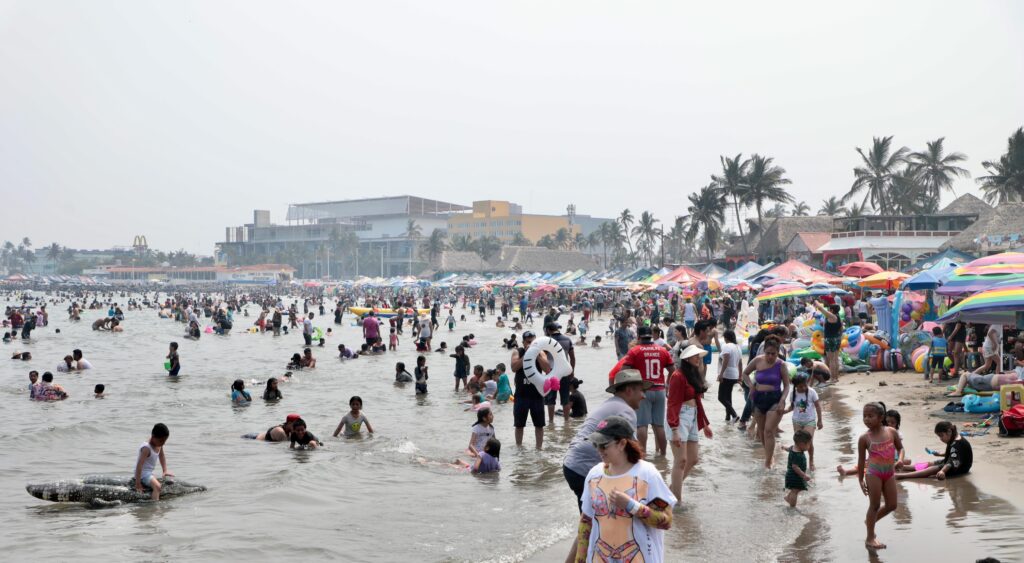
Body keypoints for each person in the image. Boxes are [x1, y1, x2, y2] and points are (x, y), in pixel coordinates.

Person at [574, 415, 675, 563]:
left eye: (603, 445)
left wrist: (632, 506)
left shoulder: (648, 474)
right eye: (595, 445)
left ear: (621, 444)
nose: (599, 450)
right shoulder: (594, 475)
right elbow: (586, 521)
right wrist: (579, 560)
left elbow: (666, 522)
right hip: (600, 555)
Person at [562, 369, 647, 515]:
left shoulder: (611, 404)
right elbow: (632, 450)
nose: (643, 396)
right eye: (641, 391)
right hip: (584, 466)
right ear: (629, 390)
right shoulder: (626, 411)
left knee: (591, 516)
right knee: (598, 518)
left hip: (572, 464)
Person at [612, 325, 673, 456]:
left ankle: (642, 455)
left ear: (639, 337)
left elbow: (623, 371)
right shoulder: (662, 351)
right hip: (660, 390)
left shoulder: (635, 351)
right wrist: (667, 384)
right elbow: (673, 371)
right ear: (651, 336)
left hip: (642, 391)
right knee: (659, 426)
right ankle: (663, 456)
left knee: (642, 425)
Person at [666, 345, 713, 501]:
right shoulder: (677, 376)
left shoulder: (692, 374)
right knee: (681, 460)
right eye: (695, 356)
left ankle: (670, 491)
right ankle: (677, 500)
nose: (698, 358)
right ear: (686, 358)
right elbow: (672, 403)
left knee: (693, 459)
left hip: (692, 416)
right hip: (679, 417)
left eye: (698, 356)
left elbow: (697, 399)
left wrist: (704, 424)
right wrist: (674, 429)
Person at [857, 402, 903, 550]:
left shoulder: (891, 432)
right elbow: (860, 460)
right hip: (873, 474)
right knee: (874, 505)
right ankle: (870, 538)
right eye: (864, 416)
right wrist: (860, 479)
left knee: (892, 505)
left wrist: (900, 459)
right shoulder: (864, 438)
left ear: (881, 417)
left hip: (889, 473)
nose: (866, 419)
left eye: (870, 416)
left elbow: (900, 448)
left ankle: (870, 522)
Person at [740, 336, 791, 468]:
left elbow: (786, 386)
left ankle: (768, 462)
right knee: (762, 432)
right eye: (768, 353)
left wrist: (782, 401)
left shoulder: (781, 365)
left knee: (769, 431)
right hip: (758, 399)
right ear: (764, 351)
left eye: (773, 354)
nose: (770, 356)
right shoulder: (757, 360)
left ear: (778, 352)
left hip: (775, 399)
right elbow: (745, 374)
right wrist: (750, 385)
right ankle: (770, 455)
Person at [896, 421, 973, 480]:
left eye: (941, 436)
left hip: (959, 468)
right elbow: (953, 454)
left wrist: (942, 471)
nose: (941, 439)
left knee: (932, 469)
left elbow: (952, 461)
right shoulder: (954, 437)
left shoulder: (956, 444)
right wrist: (940, 454)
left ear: (949, 431)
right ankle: (903, 467)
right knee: (929, 463)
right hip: (951, 461)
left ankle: (902, 476)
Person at [512, 331, 548, 448]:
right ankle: (519, 449)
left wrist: (536, 355)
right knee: (519, 425)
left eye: (533, 342)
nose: (530, 344)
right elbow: (514, 367)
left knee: (539, 425)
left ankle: (539, 449)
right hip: (521, 394)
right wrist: (526, 355)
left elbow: (547, 369)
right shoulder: (518, 352)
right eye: (528, 342)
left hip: (537, 394)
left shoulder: (541, 352)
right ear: (523, 342)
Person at [784, 375, 823, 470]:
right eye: (800, 386)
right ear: (795, 386)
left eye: (805, 385)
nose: (804, 388)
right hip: (796, 421)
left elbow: (818, 406)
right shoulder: (793, 393)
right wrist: (784, 411)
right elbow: (792, 407)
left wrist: (820, 420)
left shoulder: (812, 392)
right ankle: (799, 462)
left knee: (808, 441)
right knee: (799, 443)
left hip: (809, 421)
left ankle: (811, 461)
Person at [134, 423, 172, 501]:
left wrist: (165, 470)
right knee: (157, 487)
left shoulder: (158, 444)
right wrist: (138, 483)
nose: (163, 443)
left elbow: (161, 456)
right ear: (153, 436)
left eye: (164, 441)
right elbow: (139, 465)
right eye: (161, 440)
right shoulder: (146, 448)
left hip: (149, 473)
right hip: (143, 474)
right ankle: (155, 504)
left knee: (170, 481)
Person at [717, 329, 743, 422]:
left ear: (726, 338)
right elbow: (740, 363)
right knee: (728, 396)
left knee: (721, 397)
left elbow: (726, 360)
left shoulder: (727, 346)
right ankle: (728, 417)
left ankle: (734, 415)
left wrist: (721, 374)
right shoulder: (738, 347)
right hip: (734, 375)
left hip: (727, 374)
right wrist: (740, 376)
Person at [814, 301, 843, 382]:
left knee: (831, 359)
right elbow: (841, 329)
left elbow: (821, 309)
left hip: (830, 339)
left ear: (832, 310)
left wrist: (816, 302)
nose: (828, 310)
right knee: (835, 359)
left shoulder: (832, 316)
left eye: (829, 309)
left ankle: (833, 378)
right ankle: (836, 377)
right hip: (837, 338)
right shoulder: (838, 317)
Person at [784, 430, 812, 508]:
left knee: (797, 489)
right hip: (794, 476)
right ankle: (792, 507)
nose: (809, 446)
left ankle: (788, 498)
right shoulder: (797, 455)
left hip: (794, 475)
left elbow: (788, 449)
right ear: (802, 444)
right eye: (809, 444)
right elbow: (795, 466)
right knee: (795, 491)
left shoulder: (793, 448)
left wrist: (784, 447)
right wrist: (804, 475)